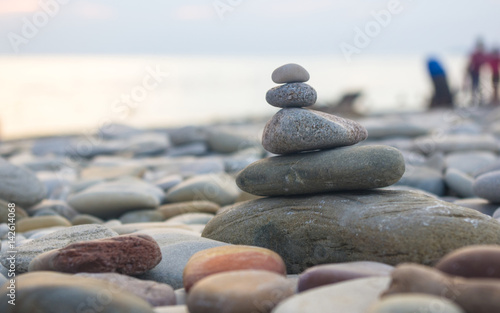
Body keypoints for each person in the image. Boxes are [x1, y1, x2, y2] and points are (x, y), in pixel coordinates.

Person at [465, 40, 487, 105]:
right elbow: (471, 63)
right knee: (475, 86)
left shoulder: (480, 54)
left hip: (478, 72)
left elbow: (482, 63)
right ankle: (475, 99)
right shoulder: (476, 54)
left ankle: (478, 99)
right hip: (474, 72)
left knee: (477, 86)